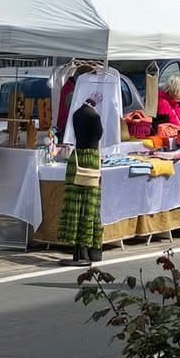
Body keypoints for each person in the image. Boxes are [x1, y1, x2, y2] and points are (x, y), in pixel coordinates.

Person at [58, 102, 104, 266]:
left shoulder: (77, 114)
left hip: (76, 159)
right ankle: (88, 248)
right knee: (90, 208)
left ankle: (78, 249)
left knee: (73, 206)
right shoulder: (95, 116)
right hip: (90, 161)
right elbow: (97, 135)